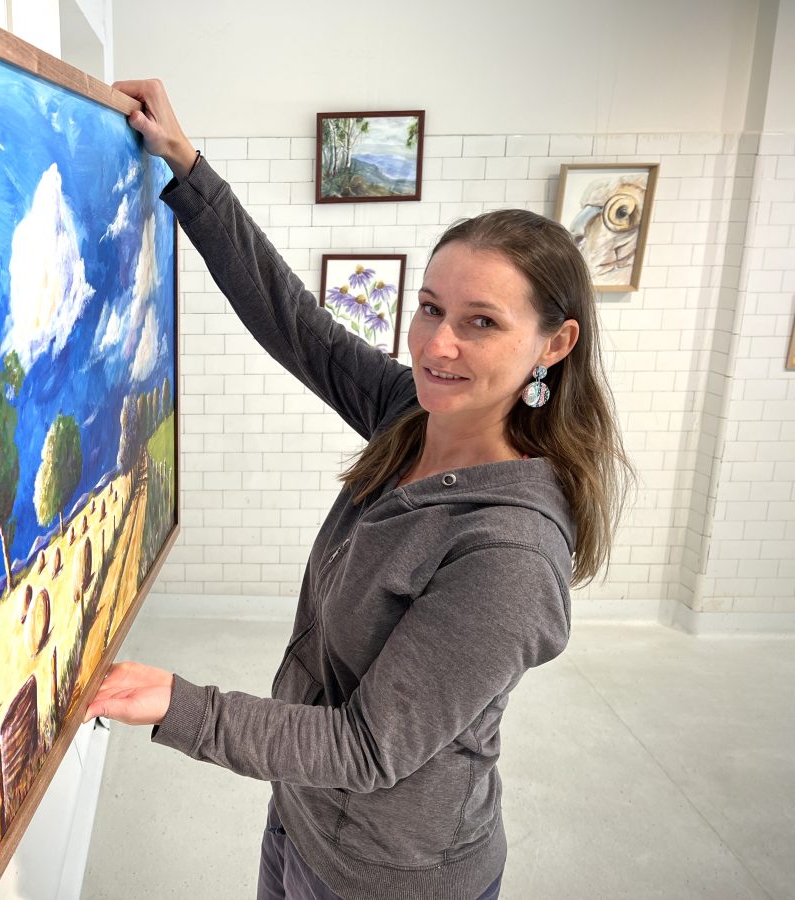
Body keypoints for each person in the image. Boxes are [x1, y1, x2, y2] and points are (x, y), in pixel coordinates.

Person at [84, 79, 631, 900]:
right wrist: (189, 169)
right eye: (430, 307)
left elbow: (367, 750)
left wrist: (176, 703)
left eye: (483, 322)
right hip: (302, 819)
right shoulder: (411, 412)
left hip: (390, 875)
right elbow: (298, 326)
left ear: (554, 344)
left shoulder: (510, 554)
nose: (438, 344)